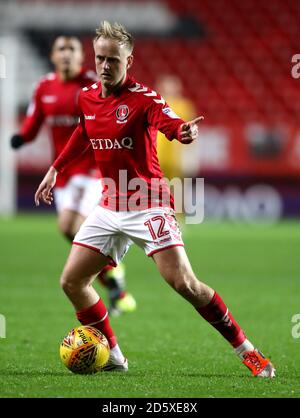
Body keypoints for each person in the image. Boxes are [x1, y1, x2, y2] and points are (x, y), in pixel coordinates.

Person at [34, 21, 275, 376]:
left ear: (128, 62)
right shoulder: (87, 96)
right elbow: (82, 132)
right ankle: (114, 355)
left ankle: (248, 351)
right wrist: (56, 168)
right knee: (72, 282)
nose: (104, 66)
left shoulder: (143, 99)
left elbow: (170, 122)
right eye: (100, 58)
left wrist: (183, 131)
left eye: (113, 60)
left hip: (146, 204)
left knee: (186, 284)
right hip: (109, 205)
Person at [10, 35, 136, 316]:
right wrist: (21, 137)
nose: (66, 54)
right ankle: (114, 281)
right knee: (70, 229)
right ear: (53, 56)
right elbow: (34, 122)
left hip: (91, 167)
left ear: (81, 57)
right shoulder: (44, 87)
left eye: (72, 49)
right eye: (61, 49)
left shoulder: (92, 85)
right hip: (63, 171)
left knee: (68, 225)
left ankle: (109, 269)